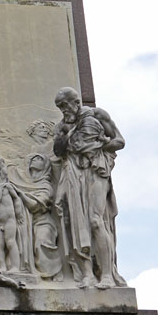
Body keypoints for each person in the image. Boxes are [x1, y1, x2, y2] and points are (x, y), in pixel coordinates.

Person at [53, 87, 126, 289]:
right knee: (77, 225)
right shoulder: (62, 126)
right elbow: (58, 151)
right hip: (73, 172)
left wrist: (100, 145)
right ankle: (86, 274)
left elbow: (120, 141)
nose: (62, 110)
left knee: (95, 220)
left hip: (96, 169)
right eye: (59, 107)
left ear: (75, 102)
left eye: (63, 105)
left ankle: (107, 275)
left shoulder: (98, 116)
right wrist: (66, 135)